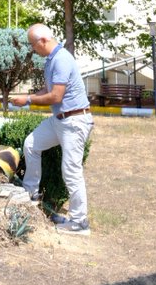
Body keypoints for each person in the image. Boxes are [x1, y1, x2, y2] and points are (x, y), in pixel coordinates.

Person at [9, 23, 93, 235]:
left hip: (73, 122)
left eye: (32, 45)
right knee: (31, 144)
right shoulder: (51, 60)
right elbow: (48, 88)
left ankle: (79, 222)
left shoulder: (62, 59)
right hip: (60, 120)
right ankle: (31, 193)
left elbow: (56, 96)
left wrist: (27, 100)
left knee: (71, 172)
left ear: (43, 41)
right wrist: (27, 96)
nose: (32, 49)